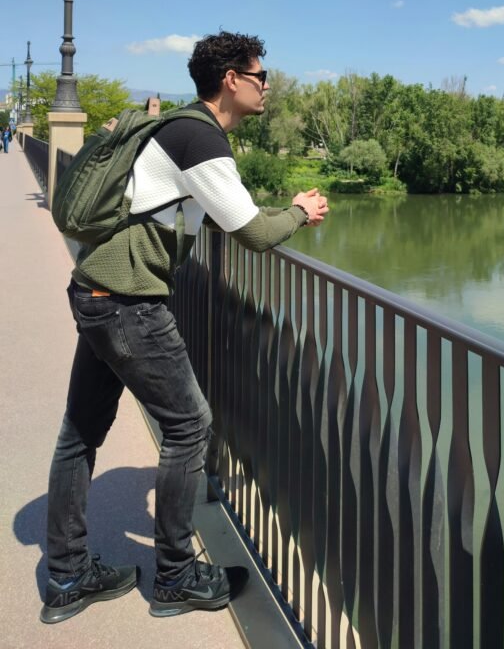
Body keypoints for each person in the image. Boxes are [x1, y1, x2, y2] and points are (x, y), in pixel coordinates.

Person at [42, 31, 328, 624]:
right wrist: (301, 211)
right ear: (231, 79)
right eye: (260, 76)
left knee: (80, 432)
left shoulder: (180, 129)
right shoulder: (200, 137)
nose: (267, 85)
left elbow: (222, 216)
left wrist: (274, 213)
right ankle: (175, 576)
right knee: (190, 425)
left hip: (96, 289)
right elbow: (254, 233)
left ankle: (67, 576)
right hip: (127, 302)